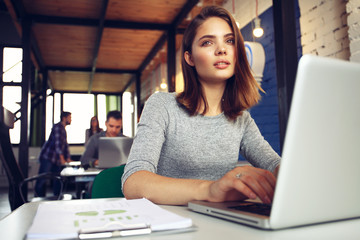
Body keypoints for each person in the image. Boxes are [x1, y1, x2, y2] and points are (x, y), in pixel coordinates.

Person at [122, 6, 280, 206]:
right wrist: (210, 189)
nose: (221, 49)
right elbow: (133, 183)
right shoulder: (162, 105)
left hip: (219, 224)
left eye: (229, 41)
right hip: (171, 225)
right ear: (190, 58)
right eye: (207, 42)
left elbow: (274, 164)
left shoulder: (241, 119)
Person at [35, 111, 72, 197]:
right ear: (64, 118)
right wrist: (62, 158)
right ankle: (37, 199)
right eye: (69, 117)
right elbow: (58, 144)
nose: (71, 119)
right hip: (48, 157)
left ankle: (57, 198)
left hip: (56, 160)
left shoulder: (63, 129)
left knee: (58, 179)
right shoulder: (58, 127)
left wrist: (68, 158)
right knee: (42, 179)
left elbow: (65, 145)